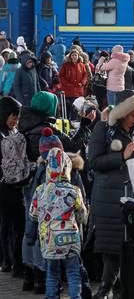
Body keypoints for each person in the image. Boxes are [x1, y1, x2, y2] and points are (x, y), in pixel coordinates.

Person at [88, 90, 134, 298]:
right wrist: (122, 157)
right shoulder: (102, 129)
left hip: (130, 197)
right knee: (111, 247)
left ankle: (119, 288)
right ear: (123, 111)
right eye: (133, 114)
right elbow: (94, 162)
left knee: (127, 246)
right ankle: (106, 288)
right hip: (108, 198)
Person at [29, 147, 87, 299]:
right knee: (73, 273)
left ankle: (51, 296)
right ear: (67, 168)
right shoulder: (74, 190)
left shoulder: (40, 190)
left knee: (52, 273)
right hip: (70, 239)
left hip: (49, 239)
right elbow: (82, 215)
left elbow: (33, 214)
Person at [0, 97, 24, 276]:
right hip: (5, 186)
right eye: (12, 116)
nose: (14, 120)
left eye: (17, 117)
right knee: (8, 224)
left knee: (10, 224)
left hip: (12, 185)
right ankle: (8, 261)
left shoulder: (11, 132)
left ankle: (10, 261)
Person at [59, 50, 88, 119]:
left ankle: (74, 121)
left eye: (76, 55)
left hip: (78, 91)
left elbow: (85, 75)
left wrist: (82, 83)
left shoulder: (82, 65)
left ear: (78, 56)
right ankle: (67, 120)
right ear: (70, 56)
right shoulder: (66, 65)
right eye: (73, 55)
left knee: (76, 108)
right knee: (67, 107)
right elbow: (61, 75)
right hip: (68, 90)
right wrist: (66, 83)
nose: (74, 57)